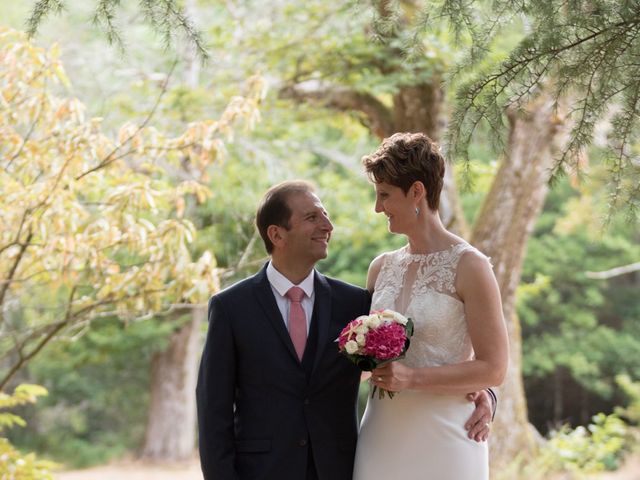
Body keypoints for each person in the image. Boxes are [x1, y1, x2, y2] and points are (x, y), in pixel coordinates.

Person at [196, 180, 495, 480]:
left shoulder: (354, 303)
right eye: (312, 217)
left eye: (325, 215)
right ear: (277, 234)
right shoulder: (231, 307)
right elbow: (213, 413)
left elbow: (411, 350)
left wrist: (483, 392)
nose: (327, 225)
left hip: (339, 469)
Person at [352, 133, 509, 480]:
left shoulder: (470, 266)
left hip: (449, 437)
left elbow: (494, 368)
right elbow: (363, 365)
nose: (378, 207)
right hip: (382, 436)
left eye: (385, 195)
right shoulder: (381, 267)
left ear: (417, 192)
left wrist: (411, 378)